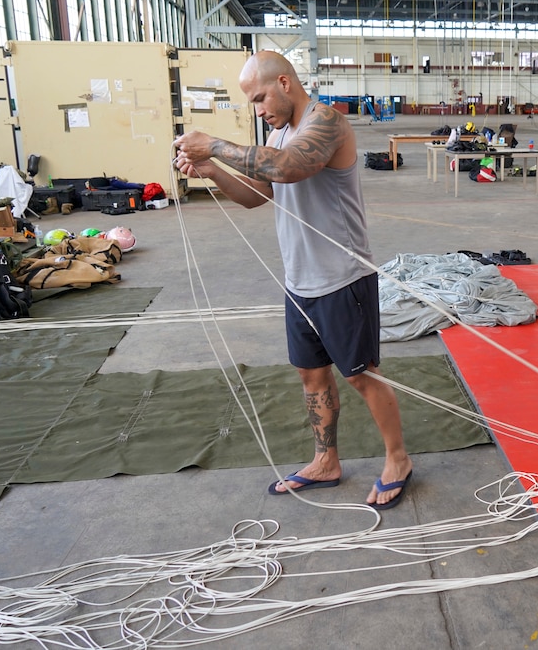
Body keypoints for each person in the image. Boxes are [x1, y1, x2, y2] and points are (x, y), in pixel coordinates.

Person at [172, 51, 413, 510]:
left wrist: (215, 145)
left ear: (284, 82)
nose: (258, 109)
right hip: (300, 279)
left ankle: (397, 459)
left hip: (342, 278)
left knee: (361, 375)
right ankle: (326, 461)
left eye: (260, 97)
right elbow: (258, 195)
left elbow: (289, 168)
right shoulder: (278, 132)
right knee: (311, 373)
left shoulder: (327, 122)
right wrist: (211, 171)